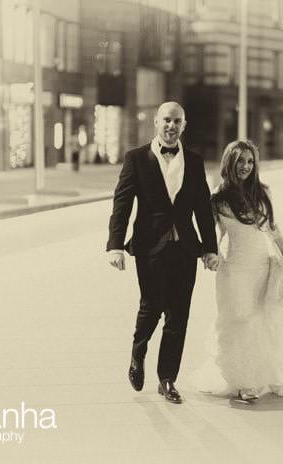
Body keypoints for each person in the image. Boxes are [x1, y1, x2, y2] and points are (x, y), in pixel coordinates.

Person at [106, 101, 218, 404]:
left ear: (184, 125)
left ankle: (167, 379)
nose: (172, 126)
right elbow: (122, 204)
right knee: (151, 306)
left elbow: (203, 210)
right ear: (156, 122)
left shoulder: (194, 162)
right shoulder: (136, 159)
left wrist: (210, 248)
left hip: (185, 249)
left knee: (179, 315)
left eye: (177, 121)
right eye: (167, 120)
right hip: (149, 247)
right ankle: (138, 352)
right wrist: (115, 245)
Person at [193, 140, 283, 403]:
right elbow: (215, 233)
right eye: (240, 161)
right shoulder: (218, 198)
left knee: (261, 319)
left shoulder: (263, 192)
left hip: (261, 264)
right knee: (239, 318)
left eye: (250, 162)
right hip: (233, 266)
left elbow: (272, 227)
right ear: (230, 162)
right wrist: (210, 254)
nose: (246, 167)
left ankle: (259, 374)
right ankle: (241, 380)